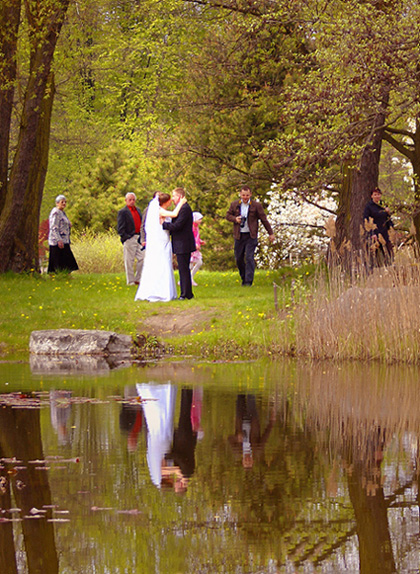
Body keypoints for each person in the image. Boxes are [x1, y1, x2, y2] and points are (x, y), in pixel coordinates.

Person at [135, 193, 186, 302]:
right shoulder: (159, 211)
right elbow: (174, 214)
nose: (171, 201)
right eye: (169, 200)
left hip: (164, 239)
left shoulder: (159, 210)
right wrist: (181, 203)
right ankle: (159, 291)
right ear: (165, 202)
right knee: (161, 263)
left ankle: (166, 290)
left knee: (166, 263)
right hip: (160, 241)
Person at [226, 185, 275, 286]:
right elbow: (227, 215)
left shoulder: (256, 206)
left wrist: (270, 233)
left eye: (247, 195)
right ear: (240, 194)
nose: (245, 197)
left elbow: (263, 219)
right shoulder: (235, 204)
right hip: (239, 235)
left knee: (249, 257)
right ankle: (244, 277)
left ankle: (248, 281)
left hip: (251, 235)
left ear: (250, 195)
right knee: (238, 258)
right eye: (243, 195)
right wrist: (235, 219)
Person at [162, 187, 196, 300]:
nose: (172, 198)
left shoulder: (184, 208)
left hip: (183, 242)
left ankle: (185, 294)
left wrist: (164, 225)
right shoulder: (181, 208)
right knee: (183, 268)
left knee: (183, 268)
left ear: (180, 196)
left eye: (174, 196)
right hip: (181, 242)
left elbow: (178, 225)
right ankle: (187, 293)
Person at [117, 192, 144, 285]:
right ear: (126, 201)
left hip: (139, 237)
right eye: (130, 200)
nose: (132, 201)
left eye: (133, 200)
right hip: (129, 237)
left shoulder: (138, 210)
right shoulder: (123, 212)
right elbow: (120, 227)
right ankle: (130, 280)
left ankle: (138, 278)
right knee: (129, 260)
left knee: (142, 258)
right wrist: (126, 237)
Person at [363, 187, 394, 267]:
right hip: (375, 233)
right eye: (375, 195)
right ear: (372, 196)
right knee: (378, 253)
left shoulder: (383, 205)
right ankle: (379, 269)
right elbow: (366, 220)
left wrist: (391, 227)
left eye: (378, 194)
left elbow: (388, 219)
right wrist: (372, 233)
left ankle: (390, 266)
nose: (377, 196)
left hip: (385, 232)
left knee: (389, 251)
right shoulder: (369, 207)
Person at [47, 195, 79, 274]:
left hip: (64, 240)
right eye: (62, 202)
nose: (64, 203)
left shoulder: (62, 213)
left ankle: (65, 275)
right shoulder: (56, 212)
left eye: (65, 202)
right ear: (57, 203)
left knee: (66, 259)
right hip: (57, 241)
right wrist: (59, 240)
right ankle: (55, 275)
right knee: (57, 259)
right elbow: (54, 227)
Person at [190, 212, 206, 286]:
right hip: (192, 248)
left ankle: (190, 277)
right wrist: (194, 244)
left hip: (196, 248)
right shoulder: (192, 227)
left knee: (199, 262)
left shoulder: (196, 227)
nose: (200, 221)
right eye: (199, 219)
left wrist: (200, 241)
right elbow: (191, 237)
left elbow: (197, 237)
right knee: (190, 264)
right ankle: (189, 278)